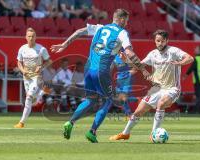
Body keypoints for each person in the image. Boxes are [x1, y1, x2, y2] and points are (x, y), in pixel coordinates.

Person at [50, 8, 150, 143]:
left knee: (90, 100)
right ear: (121, 19)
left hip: (88, 69)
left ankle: (70, 122)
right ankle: (92, 131)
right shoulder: (122, 33)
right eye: (126, 21)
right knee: (108, 100)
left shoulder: (100, 28)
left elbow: (80, 31)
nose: (126, 23)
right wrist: (143, 69)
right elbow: (130, 53)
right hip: (101, 70)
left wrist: (64, 45)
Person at [109, 29, 194, 141]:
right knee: (139, 111)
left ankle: (154, 134)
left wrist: (180, 63)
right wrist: (127, 61)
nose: (160, 43)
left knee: (161, 103)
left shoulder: (173, 51)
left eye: (162, 41)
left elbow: (190, 58)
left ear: (167, 41)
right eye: (157, 41)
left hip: (172, 89)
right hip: (157, 89)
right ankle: (125, 134)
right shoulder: (153, 54)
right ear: (155, 41)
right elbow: (138, 67)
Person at [14, 27, 51, 128]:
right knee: (33, 101)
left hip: (36, 77)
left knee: (29, 97)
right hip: (26, 77)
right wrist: (23, 70)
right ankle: (42, 92)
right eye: (29, 36)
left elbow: (49, 61)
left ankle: (21, 123)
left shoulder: (41, 49)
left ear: (36, 37)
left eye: (33, 36)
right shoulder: (22, 49)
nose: (31, 38)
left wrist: (41, 67)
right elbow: (19, 62)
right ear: (26, 37)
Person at [183, 45, 200, 114]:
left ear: (199, 51)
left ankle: (196, 110)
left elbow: (192, 68)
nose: (195, 49)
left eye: (196, 49)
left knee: (198, 96)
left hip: (198, 80)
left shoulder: (197, 59)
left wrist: (186, 75)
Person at [112, 52, 137, 116]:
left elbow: (134, 68)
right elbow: (111, 67)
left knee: (124, 97)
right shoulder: (113, 56)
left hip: (127, 78)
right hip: (119, 77)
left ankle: (129, 114)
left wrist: (130, 72)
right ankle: (137, 99)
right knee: (120, 98)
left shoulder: (125, 54)